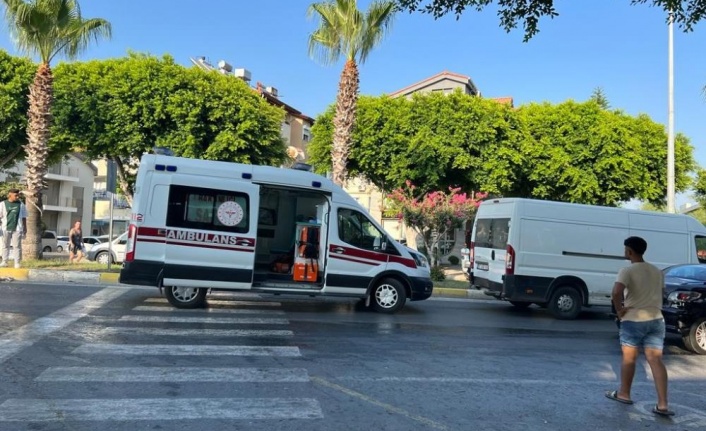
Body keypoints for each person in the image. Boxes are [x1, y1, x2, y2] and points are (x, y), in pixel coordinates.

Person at [605, 236, 674, 417]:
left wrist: (619, 310)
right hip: (656, 319)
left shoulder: (627, 270)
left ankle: (624, 393)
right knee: (656, 360)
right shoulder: (657, 271)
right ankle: (663, 404)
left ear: (629, 251)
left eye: (625, 249)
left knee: (630, 358)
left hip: (633, 319)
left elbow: (616, 292)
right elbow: (661, 293)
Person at [0, 188, 28, 269]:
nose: (17, 197)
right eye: (16, 195)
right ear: (10, 195)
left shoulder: (21, 204)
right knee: (5, 245)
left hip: (17, 228)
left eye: (18, 195)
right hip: (5, 228)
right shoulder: (2, 204)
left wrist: (25, 227)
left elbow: (24, 217)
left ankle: (17, 263)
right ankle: (4, 261)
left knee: (17, 246)